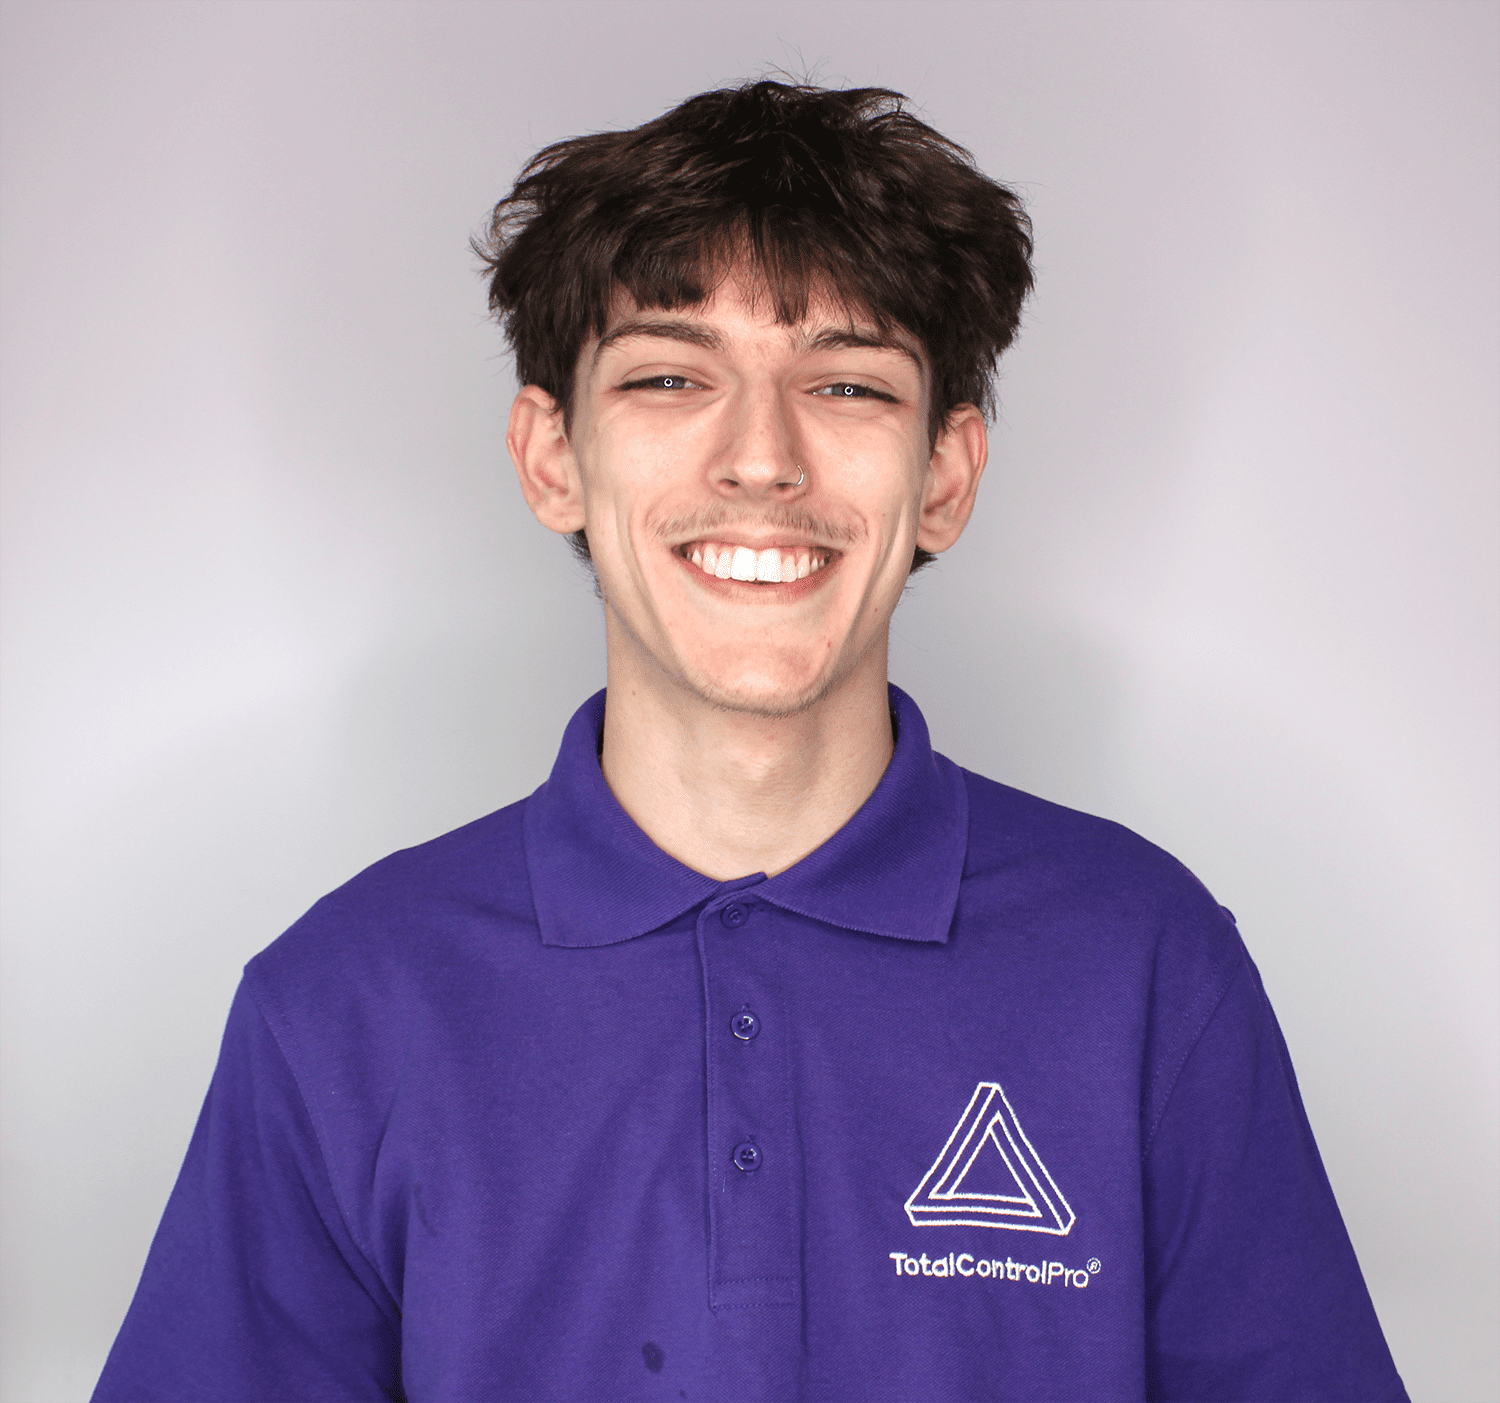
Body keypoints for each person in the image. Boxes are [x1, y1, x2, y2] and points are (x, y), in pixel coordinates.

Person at [93, 81, 1407, 1402]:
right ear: (553, 458)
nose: (763, 459)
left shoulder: (1147, 965)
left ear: (945, 478)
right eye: (670, 376)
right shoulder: (339, 1005)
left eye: (847, 382)